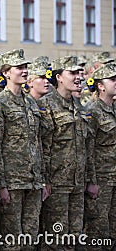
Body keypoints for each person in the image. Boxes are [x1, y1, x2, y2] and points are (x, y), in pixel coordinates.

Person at [38, 55, 97, 250]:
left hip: (77, 183)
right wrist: (45, 181)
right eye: (72, 73)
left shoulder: (78, 107)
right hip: (57, 184)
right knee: (56, 239)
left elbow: (86, 147)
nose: (78, 77)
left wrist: (90, 179)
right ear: (59, 77)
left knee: (74, 237)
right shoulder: (46, 105)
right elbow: (43, 147)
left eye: (80, 73)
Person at [0, 49, 44, 250]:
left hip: (33, 180)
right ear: (6, 73)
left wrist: (42, 178)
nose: (24, 71)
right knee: (12, 240)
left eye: (25, 67)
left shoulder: (31, 102)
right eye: (19, 67)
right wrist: (1, 184)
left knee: (30, 238)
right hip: (12, 181)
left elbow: (37, 142)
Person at [84, 63, 116, 250]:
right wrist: (91, 181)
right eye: (112, 79)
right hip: (101, 180)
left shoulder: (114, 109)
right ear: (100, 86)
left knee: (113, 231)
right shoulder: (92, 111)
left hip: (114, 178)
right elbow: (88, 149)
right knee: (98, 230)